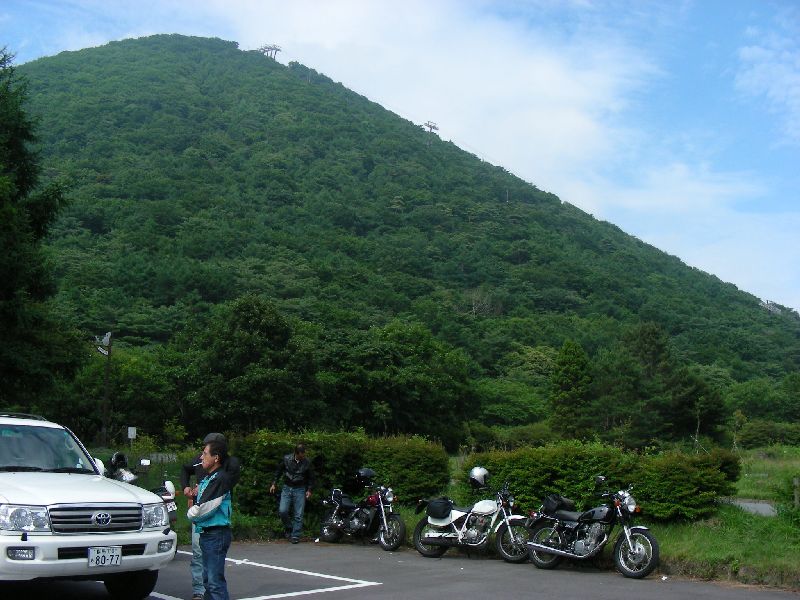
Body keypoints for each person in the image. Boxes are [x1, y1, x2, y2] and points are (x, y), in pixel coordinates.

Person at [181, 433, 240, 600]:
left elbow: (204, 509)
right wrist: (190, 490)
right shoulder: (210, 477)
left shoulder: (220, 477)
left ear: (216, 457)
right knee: (208, 580)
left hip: (216, 533)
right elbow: (187, 471)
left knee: (214, 583)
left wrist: (191, 513)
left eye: (205, 453)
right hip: (207, 532)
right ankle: (199, 591)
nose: (201, 457)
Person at [270, 443, 314, 544]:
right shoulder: (286, 459)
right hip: (287, 487)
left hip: (300, 488)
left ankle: (295, 535)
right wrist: (274, 483)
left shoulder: (307, 462)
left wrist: (309, 490)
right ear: (296, 453)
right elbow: (278, 471)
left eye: (303, 455)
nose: (302, 457)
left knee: (298, 514)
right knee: (282, 511)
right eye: (300, 456)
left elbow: (311, 477)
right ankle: (289, 527)